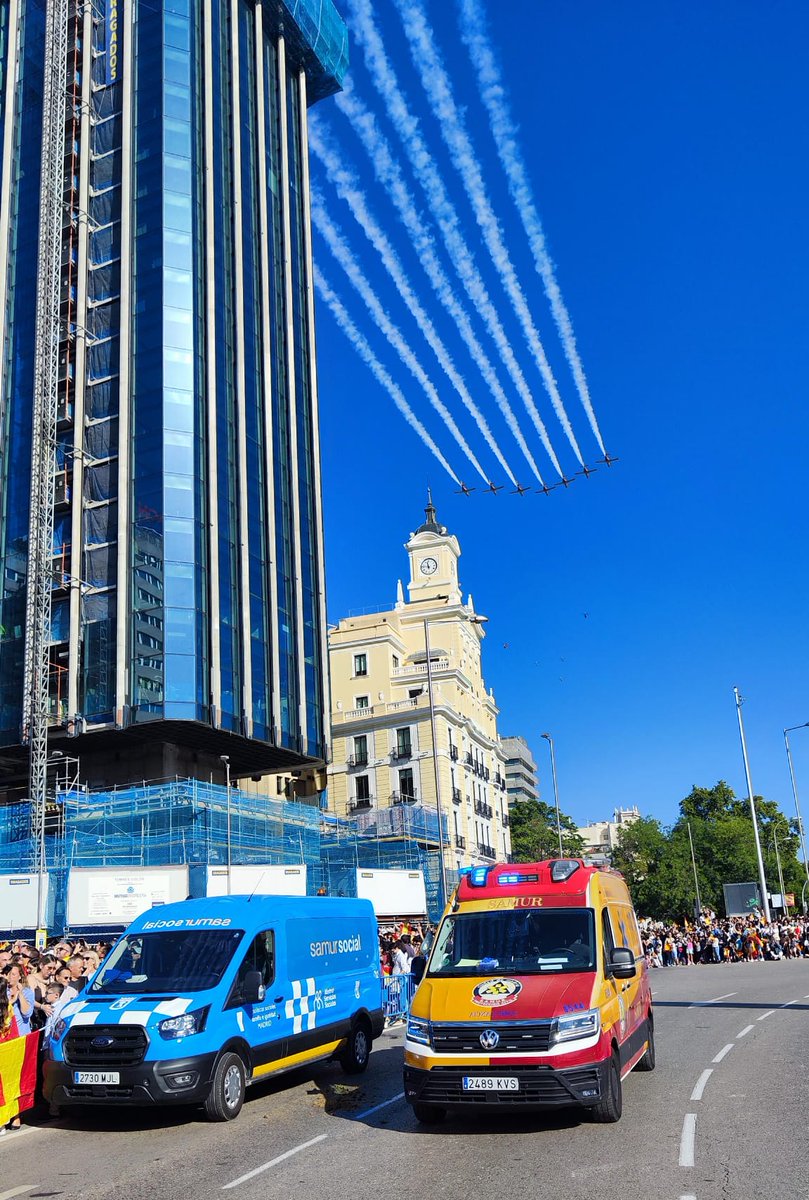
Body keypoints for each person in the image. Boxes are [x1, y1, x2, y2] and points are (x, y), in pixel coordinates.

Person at [2, 965, 33, 1037]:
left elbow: (27, 1014)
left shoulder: (27, 992)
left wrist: (20, 994)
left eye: (13, 974)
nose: (9, 977)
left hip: (21, 1033)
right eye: (8, 974)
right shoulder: (2, 991)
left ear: (20, 976)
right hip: (6, 1034)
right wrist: (12, 1000)